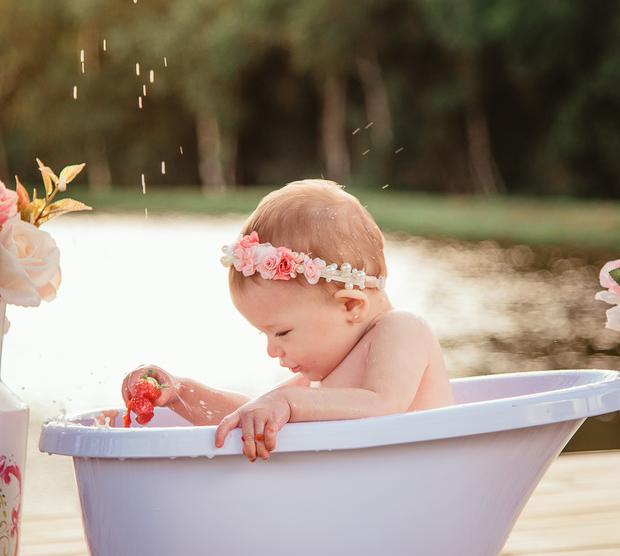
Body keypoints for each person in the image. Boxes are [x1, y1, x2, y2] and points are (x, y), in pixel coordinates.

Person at [109, 179, 453, 461]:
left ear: (350, 306)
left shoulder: (402, 329)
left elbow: (383, 404)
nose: (272, 351)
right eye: (265, 335)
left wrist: (287, 403)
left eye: (282, 332)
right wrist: (181, 392)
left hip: (421, 497)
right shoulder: (324, 377)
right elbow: (249, 416)